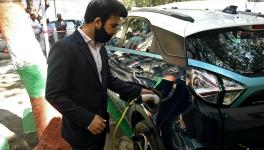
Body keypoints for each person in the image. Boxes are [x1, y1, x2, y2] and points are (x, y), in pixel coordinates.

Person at [45, 0, 156, 149]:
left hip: (100, 128)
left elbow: (107, 79)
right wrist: (88, 119)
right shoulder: (64, 48)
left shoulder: (101, 48)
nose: (115, 31)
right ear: (97, 22)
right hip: (81, 131)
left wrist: (139, 91)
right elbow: (54, 94)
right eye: (113, 25)